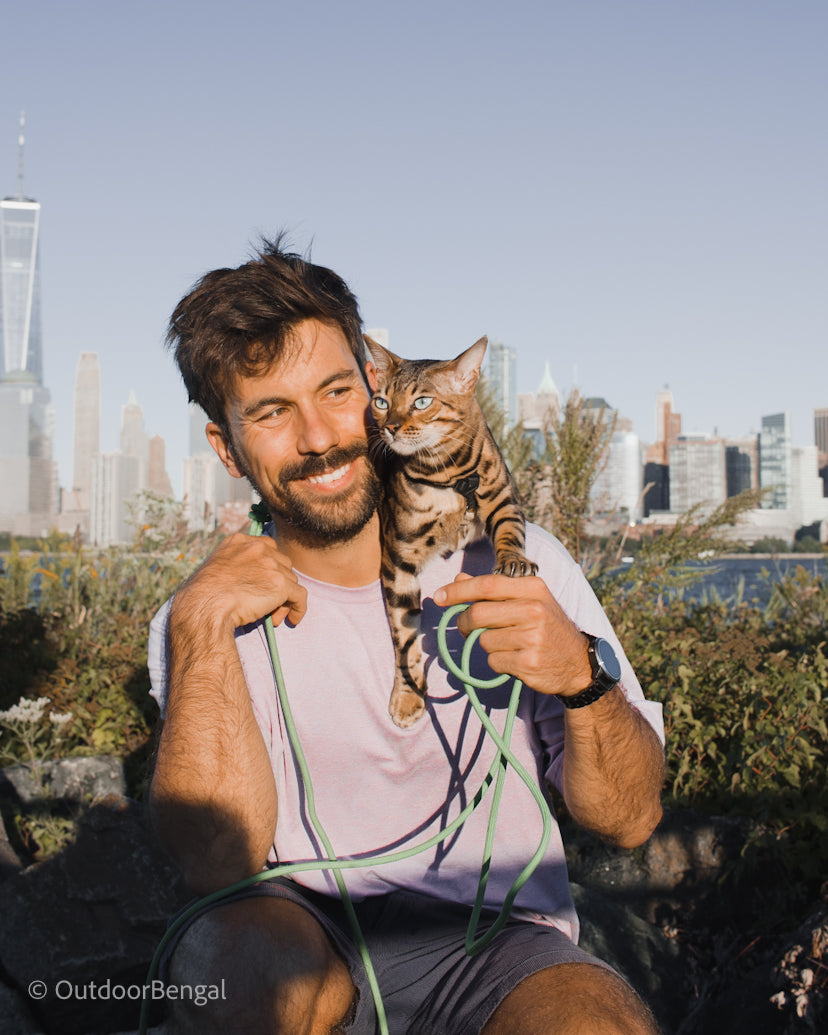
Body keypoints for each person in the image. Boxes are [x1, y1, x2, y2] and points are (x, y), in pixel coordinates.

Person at [147, 237, 666, 1035]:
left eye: (336, 391)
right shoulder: (200, 618)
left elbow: (629, 820)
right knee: (235, 972)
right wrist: (199, 626)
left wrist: (582, 678)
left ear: (374, 387)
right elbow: (218, 862)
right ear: (228, 448)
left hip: (497, 937)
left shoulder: (523, 564)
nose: (319, 436)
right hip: (301, 926)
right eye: (274, 412)